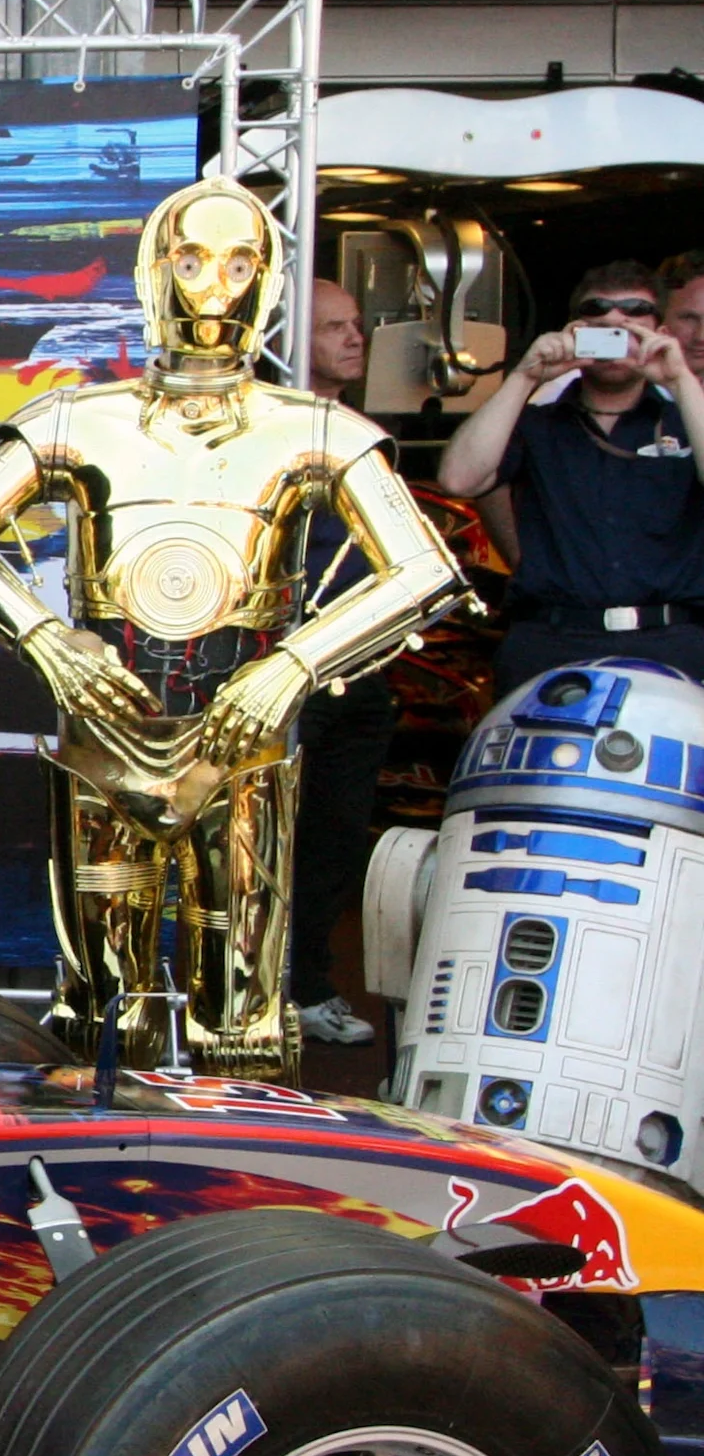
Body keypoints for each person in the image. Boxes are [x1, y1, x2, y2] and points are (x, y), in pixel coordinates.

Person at [0, 182, 463, 1074]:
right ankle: (100, 1171)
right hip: (103, 741)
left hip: (246, 745)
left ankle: (235, 1175)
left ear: (267, 279)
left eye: (239, 262)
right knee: (100, 1003)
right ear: (153, 275)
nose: (212, 290)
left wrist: (294, 665)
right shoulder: (77, 420)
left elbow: (426, 569)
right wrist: (44, 637)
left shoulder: (315, 432)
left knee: (244, 1011)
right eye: (189, 260)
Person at [437, 261, 704, 689]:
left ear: (661, 336)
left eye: (633, 327)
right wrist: (526, 376)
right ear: (575, 333)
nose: (617, 339)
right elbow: (458, 480)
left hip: (670, 641)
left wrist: (679, 379)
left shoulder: (686, 419)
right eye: (602, 328)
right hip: (551, 642)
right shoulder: (538, 422)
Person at [286, 278, 397, 1050]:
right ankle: (254, 993)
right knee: (267, 842)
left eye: (358, 325)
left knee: (333, 834)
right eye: (335, 327)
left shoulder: (365, 429)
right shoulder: (274, 425)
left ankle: (313, 986)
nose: (354, 339)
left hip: (365, 657)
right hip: (288, 659)